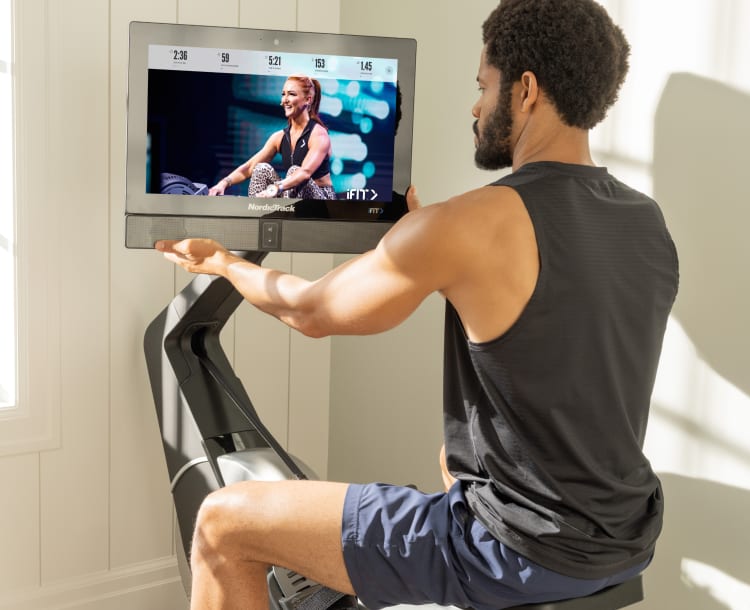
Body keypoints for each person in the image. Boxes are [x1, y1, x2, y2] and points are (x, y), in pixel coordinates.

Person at [156, 1, 679, 608]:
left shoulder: (468, 222)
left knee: (224, 522)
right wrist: (425, 243)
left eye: (483, 86)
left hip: (514, 549)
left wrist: (222, 262)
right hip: (622, 537)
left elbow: (310, 311)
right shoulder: (647, 221)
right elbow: (552, 341)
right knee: (448, 460)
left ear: (527, 89)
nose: (476, 106)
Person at [208, 74, 336, 200]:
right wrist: (223, 183)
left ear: (308, 100)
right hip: (291, 198)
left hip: (322, 202)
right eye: (283, 94)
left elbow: (304, 173)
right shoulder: (279, 137)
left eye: (291, 94)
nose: (285, 99)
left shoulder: (319, 134)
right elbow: (249, 167)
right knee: (260, 169)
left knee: (294, 171)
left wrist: (275, 188)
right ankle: (258, 214)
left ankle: (286, 217)